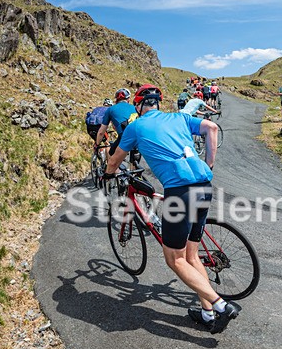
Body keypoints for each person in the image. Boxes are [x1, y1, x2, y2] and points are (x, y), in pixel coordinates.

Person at [102, 84, 240, 333]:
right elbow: (210, 127)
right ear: (158, 103)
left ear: (139, 105)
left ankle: (221, 305)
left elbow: (114, 159)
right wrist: (208, 163)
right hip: (203, 185)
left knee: (174, 260)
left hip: (181, 193)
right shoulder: (179, 117)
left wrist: (108, 174)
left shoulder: (136, 126)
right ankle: (208, 313)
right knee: (190, 256)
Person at [94, 88, 136, 157]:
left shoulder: (110, 109)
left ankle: (112, 167)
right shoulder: (135, 108)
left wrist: (97, 144)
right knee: (134, 159)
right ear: (128, 99)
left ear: (116, 100)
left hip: (124, 137)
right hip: (140, 136)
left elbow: (101, 132)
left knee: (111, 155)